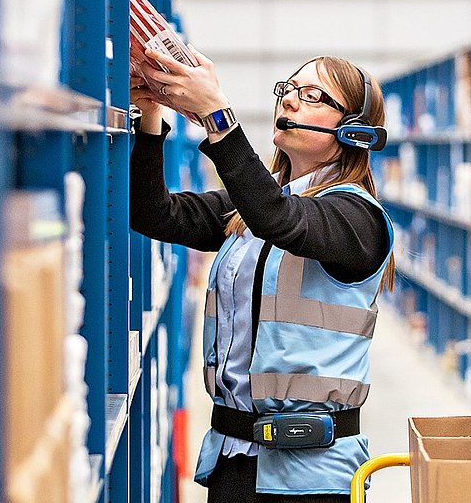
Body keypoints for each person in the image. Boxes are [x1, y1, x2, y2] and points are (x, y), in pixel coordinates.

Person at [130, 45, 395, 503]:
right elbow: (154, 214)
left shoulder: (358, 219)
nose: (289, 100)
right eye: (288, 89)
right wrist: (150, 118)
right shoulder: (251, 207)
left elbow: (282, 220)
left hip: (310, 476)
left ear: (354, 131)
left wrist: (216, 115)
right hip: (233, 461)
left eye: (313, 95)